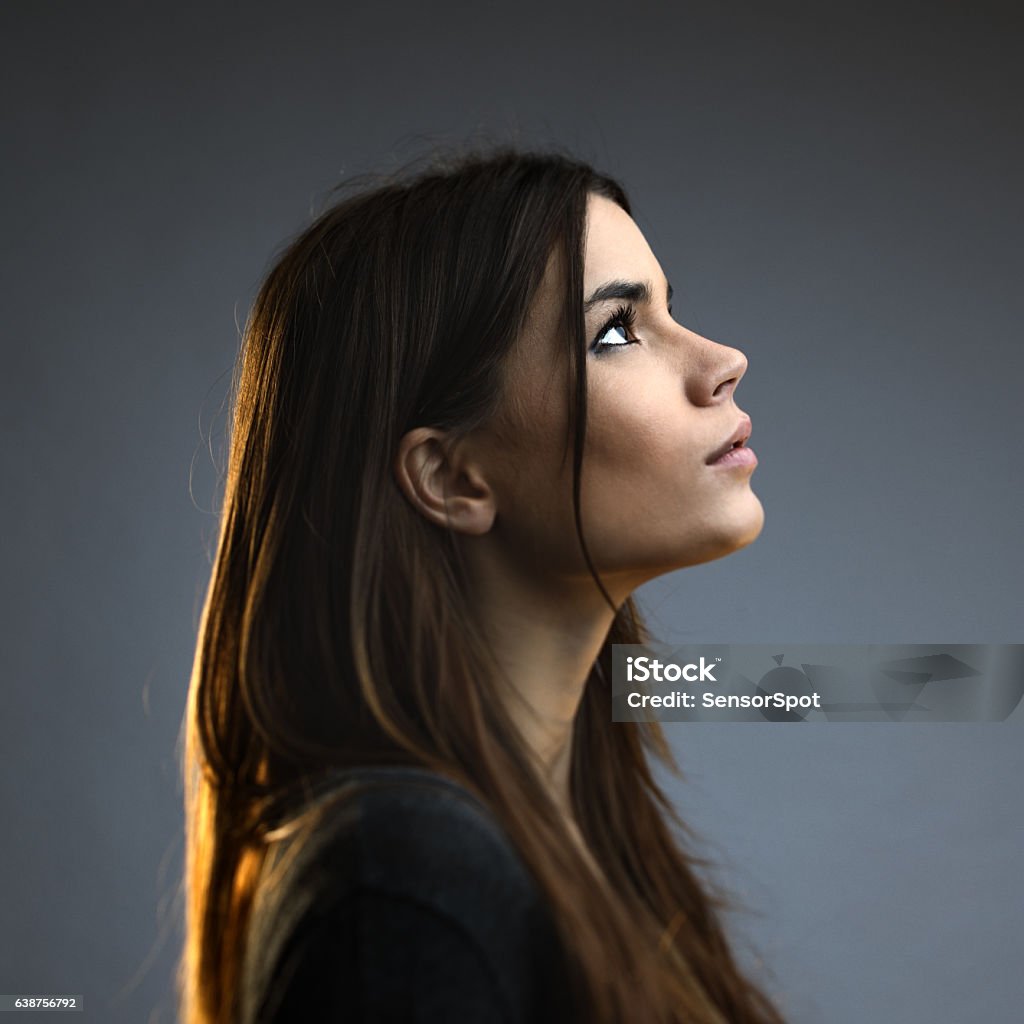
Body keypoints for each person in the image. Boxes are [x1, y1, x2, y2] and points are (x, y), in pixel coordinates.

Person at [179, 145, 786, 1024]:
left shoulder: (560, 845)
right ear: (452, 478)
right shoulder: (407, 884)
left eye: (670, 311)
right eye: (616, 331)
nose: (722, 359)